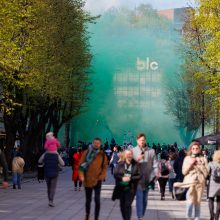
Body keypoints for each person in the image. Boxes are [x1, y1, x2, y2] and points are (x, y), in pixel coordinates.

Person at [175, 141, 209, 220]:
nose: (195, 150)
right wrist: (191, 164)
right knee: (190, 202)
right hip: (190, 183)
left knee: (197, 202)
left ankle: (197, 218)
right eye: (193, 148)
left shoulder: (203, 159)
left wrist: (200, 165)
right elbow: (184, 172)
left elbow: (206, 173)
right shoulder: (187, 158)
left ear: (199, 149)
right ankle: (189, 217)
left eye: (197, 148)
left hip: (200, 183)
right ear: (191, 149)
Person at [79, 137, 108, 220]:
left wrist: (102, 176)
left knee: (97, 200)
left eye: (98, 143)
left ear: (100, 144)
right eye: (95, 143)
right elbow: (81, 164)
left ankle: (96, 217)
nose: (96, 144)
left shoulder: (102, 154)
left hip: (98, 180)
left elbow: (105, 166)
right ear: (92, 143)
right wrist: (81, 175)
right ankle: (87, 215)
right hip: (87, 179)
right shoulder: (86, 152)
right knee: (88, 200)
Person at [132, 133, 158, 220]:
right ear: (137, 141)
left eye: (143, 140)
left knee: (145, 200)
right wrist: (137, 159)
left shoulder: (151, 151)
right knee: (139, 197)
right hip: (137, 179)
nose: (142, 142)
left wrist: (155, 174)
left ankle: (142, 214)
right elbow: (129, 164)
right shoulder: (133, 151)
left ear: (145, 140)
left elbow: (155, 165)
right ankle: (140, 216)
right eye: (140, 140)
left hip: (147, 179)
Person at [113, 149, 141, 220]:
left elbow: (140, 175)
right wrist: (122, 178)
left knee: (127, 205)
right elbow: (115, 174)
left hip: (131, 188)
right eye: (128, 154)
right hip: (121, 188)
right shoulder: (120, 164)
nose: (129, 155)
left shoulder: (136, 164)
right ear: (125, 155)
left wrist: (130, 178)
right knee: (122, 205)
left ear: (132, 155)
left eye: (130, 154)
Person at [208, 150, 220, 220]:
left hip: (212, 184)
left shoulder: (211, 163)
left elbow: (207, 174)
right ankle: (217, 216)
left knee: (211, 199)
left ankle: (212, 216)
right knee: (219, 201)